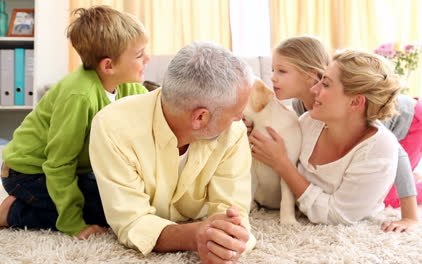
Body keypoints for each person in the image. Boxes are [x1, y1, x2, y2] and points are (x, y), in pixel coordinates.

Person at [259, 36, 422, 232]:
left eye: (282, 71)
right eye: (273, 70)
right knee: (374, 181)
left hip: (412, 120)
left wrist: (410, 216)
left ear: (309, 75)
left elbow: (398, 156)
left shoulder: (365, 118)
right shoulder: (305, 108)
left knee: (386, 198)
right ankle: (403, 177)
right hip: (371, 134)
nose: (272, 77)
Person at [88, 41, 255, 263]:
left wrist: (227, 239)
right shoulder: (112, 126)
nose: (240, 119)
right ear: (200, 117)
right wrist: (196, 235)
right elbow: (131, 222)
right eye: (237, 112)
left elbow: (233, 210)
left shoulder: (234, 132)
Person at [0, 6, 149, 239]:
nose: (147, 59)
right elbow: (59, 164)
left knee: (127, 199)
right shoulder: (79, 96)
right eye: (139, 55)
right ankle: (13, 212)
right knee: (106, 210)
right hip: (28, 172)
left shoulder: (126, 86)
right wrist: (73, 224)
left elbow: (148, 112)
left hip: (73, 169)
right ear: (108, 65)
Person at [250, 49, 401, 226]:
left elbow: (337, 215)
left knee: (397, 197)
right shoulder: (309, 122)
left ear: (355, 102)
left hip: (401, 143)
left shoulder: (378, 151)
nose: (314, 89)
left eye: (326, 84)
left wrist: (282, 164)